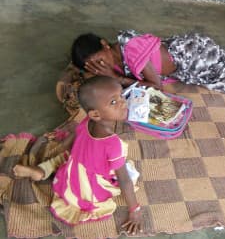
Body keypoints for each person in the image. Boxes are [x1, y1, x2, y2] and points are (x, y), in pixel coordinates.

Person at [12, 76, 142, 233]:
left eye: (121, 95)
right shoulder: (113, 144)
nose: (122, 102)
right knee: (130, 173)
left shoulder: (87, 120)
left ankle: (41, 170)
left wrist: (59, 147)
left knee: (63, 158)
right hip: (89, 186)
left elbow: (72, 138)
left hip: (73, 169)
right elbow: (125, 181)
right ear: (95, 114)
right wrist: (134, 211)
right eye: (113, 102)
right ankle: (43, 170)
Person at [70, 30, 225, 94]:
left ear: (104, 44)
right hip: (187, 64)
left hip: (194, 55)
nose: (99, 67)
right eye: (92, 67)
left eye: (97, 60)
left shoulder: (131, 50)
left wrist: (115, 79)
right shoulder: (116, 52)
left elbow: (156, 86)